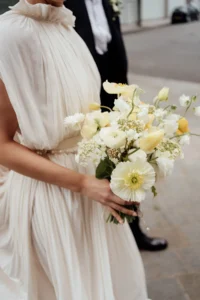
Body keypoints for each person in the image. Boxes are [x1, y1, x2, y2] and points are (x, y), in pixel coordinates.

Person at [0, 0, 149, 299]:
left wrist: (124, 159)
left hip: (95, 194)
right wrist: (83, 184)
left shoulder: (67, 29)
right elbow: (2, 145)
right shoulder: (10, 35)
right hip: (50, 199)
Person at [64, 0, 168, 252]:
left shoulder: (109, 2)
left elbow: (114, 48)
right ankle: (101, 240)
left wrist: (129, 97)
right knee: (91, 164)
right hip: (79, 96)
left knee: (128, 160)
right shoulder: (64, 3)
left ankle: (133, 233)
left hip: (114, 92)